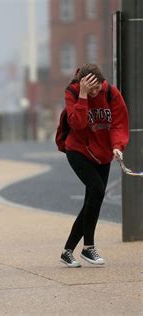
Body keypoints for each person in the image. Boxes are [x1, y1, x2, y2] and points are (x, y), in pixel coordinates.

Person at [59, 64, 129, 268]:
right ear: (83, 84)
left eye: (98, 88)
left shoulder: (110, 92)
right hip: (78, 150)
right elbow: (77, 123)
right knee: (97, 191)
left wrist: (117, 146)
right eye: (92, 89)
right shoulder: (72, 92)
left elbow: (118, 122)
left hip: (103, 153)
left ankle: (67, 251)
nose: (96, 92)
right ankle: (88, 246)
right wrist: (82, 95)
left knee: (93, 200)